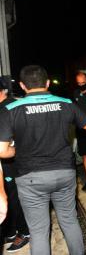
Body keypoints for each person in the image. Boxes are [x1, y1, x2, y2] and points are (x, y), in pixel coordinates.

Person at [0, 65, 86, 255]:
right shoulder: (65, 102)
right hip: (64, 173)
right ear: (48, 83)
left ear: (22, 85)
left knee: (39, 231)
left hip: (30, 178)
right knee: (69, 221)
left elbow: (2, 151)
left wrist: (19, 149)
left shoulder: (10, 109)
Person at [0, 77, 30, 252]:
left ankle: (25, 232)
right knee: (8, 197)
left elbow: (26, 134)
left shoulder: (14, 106)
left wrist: (14, 146)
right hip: (4, 161)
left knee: (14, 197)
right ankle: (11, 230)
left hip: (14, 161)